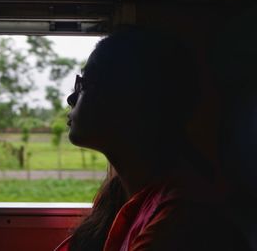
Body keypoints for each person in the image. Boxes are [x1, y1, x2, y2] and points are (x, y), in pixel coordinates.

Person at [55, 27, 250, 251]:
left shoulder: (180, 220)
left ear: (127, 100)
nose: (71, 97)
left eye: (84, 84)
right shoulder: (118, 195)